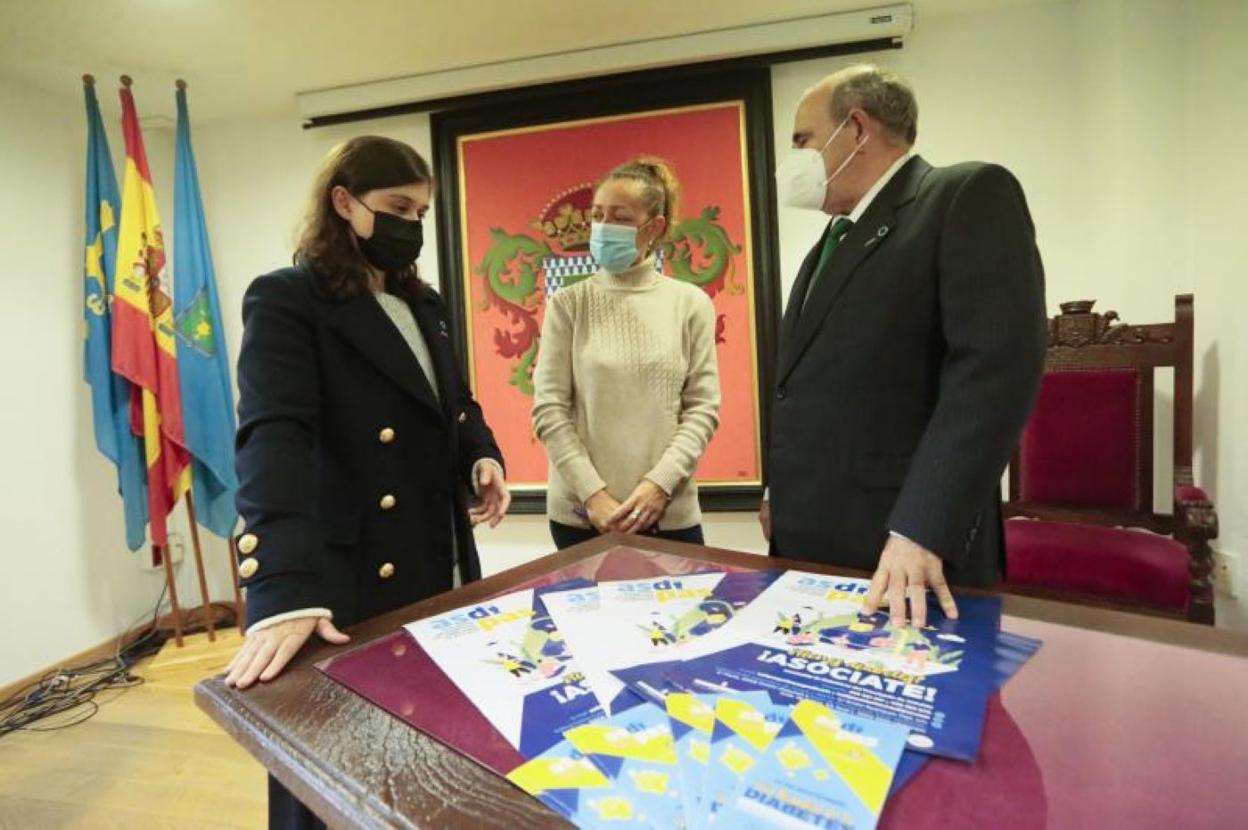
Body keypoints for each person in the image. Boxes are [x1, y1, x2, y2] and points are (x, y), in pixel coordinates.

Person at [223, 136, 510, 829]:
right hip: (350, 577)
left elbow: (452, 402)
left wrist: (481, 451)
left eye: (421, 210)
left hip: (435, 555)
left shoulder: (425, 304)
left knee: (428, 750)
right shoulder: (289, 298)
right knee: (333, 776)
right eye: (396, 207)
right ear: (344, 204)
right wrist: (283, 588)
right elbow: (273, 437)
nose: (411, 224)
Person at [761, 65, 1046, 628]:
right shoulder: (831, 242)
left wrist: (923, 527)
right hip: (817, 544)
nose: (792, 160)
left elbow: (993, 372)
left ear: (857, 129)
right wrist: (781, 490)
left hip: (908, 556)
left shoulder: (964, 195)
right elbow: (810, 383)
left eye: (802, 140)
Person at [533, 157, 721, 549]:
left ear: (654, 228)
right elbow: (550, 410)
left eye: (619, 218)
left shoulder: (690, 303)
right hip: (582, 518)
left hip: (667, 515)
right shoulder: (569, 304)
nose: (602, 228)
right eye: (597, 215)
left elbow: (702, 409)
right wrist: (593, 495)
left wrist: (659, 486)